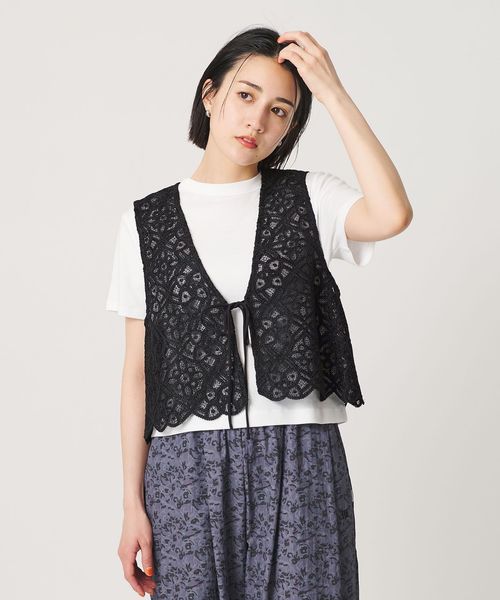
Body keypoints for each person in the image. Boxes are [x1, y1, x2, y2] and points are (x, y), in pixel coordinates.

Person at [106, 26, 413, 600]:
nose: (258, 121)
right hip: (184, 467)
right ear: (209, 94)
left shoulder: (311, 198)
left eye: (280, 111)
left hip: (300, 456)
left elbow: (392, 214)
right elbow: (137, 374)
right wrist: (131, 503)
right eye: (245, 96)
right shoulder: (145, 223)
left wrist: (333, 92)